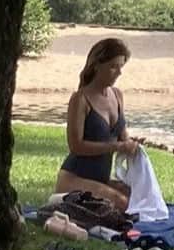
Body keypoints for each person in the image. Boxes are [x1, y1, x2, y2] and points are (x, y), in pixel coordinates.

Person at [56, 38, 139, 211]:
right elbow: (76, 146)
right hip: (73, 178)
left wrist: (131, 146)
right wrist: (116, 146)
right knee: (122, 204)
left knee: (140, 197)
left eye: (121, 67)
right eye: (113, 66)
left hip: (100, 179)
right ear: (96, 65)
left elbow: (123, 136)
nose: (118, 73)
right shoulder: (80, 99)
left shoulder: (117, 95)